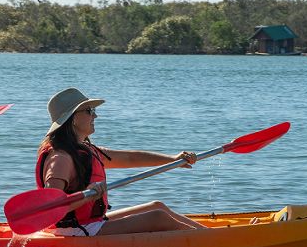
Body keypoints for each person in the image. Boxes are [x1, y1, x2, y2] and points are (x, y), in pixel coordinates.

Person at [36, 87, 207, 236]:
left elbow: (130, 158)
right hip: (73, 231)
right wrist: (86, 196)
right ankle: (211, 244)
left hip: (89, 223)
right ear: (72, 119)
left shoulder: (84, 150)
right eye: (89, 110)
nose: (95, 115)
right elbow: (51, 208)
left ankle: (210, 236)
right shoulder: (60, 158)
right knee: (158, 217)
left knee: (157, 206)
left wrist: (172, 159)